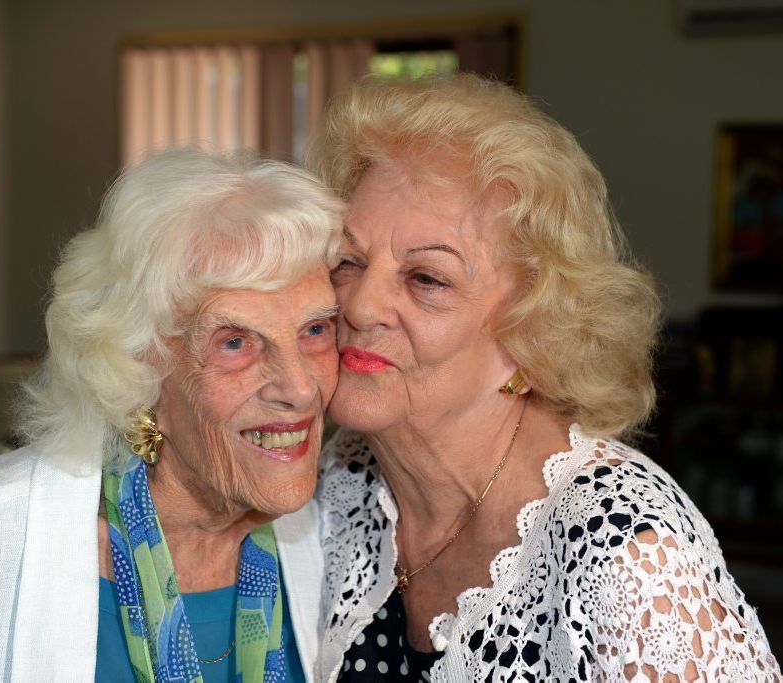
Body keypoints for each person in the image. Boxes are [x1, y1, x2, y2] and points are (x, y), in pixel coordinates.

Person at [309, 75, 781, 681]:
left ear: (532, 330)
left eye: (427, 279)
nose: (359, 304)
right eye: (348, 260)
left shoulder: (630, 556)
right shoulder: (341, 483)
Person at [0, 148, 345, 681]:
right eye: (235, 342)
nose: (300, 388)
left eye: (315, 330)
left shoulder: (338, 542)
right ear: (136, 366)